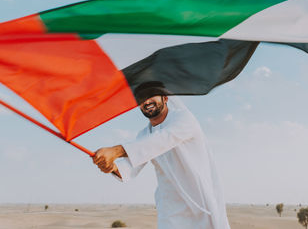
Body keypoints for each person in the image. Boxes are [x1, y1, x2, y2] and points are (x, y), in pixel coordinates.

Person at [92, 86, 230, 229]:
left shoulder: (184, 119)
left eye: (151, 95)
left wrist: (115, 151)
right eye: (141, 99)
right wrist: (110, 166)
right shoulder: (144, 134)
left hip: (201, 207)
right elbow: (129, 168)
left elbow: (160, 141)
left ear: (165, 98)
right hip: (170, 212)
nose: (146, 101)